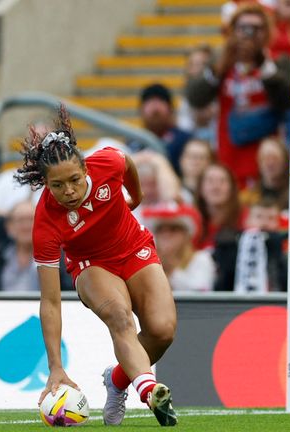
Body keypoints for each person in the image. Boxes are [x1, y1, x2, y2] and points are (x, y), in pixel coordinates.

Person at [17, 106, 177, 427]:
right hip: (91, 265)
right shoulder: (45, 221)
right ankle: (149, 391)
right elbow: (50, 302)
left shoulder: (108, 163)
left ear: (86, 168)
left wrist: (135, 196)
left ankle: (116, 381)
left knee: (162, 331)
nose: (69, 191)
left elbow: (127, 163)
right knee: (120, 317)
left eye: (74, 180)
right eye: (57, 185)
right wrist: (56, 367)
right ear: (45, 183)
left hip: (134, 247)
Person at [185, 3, 290, 187]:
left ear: (267, 32)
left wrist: (263, 66)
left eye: (257, 28)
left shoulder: (278, 61)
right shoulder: (221, 61)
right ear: (233, 31)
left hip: (267, 161)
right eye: (243, 28)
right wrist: (219, 67)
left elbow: (288, 101)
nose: (249, 34)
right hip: (229, 156)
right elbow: (195, 98)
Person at [0, 201, 72, 292]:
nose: (26, 226)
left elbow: (70, 293)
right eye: (20, 220)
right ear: (9, 227)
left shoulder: (59, 257)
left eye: (31, 219)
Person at [143, 203, 214, 292]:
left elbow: (201, 292)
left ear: (187, 235)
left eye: (174, 228)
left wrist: (172, 270)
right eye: (160, 229)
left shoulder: (201, 258)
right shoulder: (147, 261)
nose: (166, 234)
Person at [127, 83, 191, 175]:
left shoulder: (184, 141)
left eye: (161, 101)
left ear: (170, 109)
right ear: (141, 110)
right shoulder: (133, 140)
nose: (155, 108)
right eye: (150, 101)